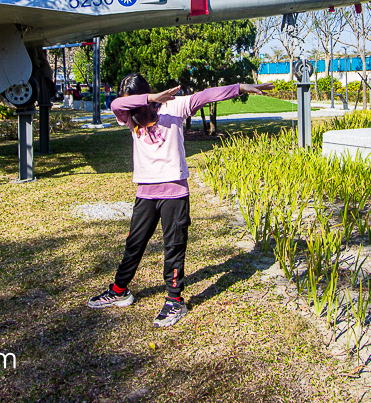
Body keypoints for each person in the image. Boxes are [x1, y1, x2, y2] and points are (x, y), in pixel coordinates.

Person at [87, 74, 273, 327]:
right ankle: (119, 291)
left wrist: (239, 87)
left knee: (173, 246)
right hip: (145, 192)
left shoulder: (173, 106)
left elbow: (206, 95)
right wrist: (148, 98)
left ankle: (175, 300)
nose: (131, 105)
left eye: (136, 99)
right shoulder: (129, 114)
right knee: (134, 243)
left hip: (174, 191)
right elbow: (115, 105)